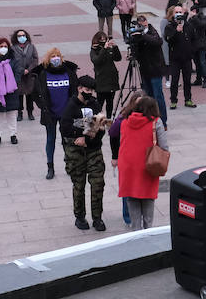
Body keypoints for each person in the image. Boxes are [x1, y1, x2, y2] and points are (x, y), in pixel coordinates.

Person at [60, 76, 109, 232]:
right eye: (87, 90)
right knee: (79, 185)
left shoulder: (95, 104)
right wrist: (79, 134)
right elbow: (65, 128)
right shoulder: (70, 105)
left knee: (98, 184)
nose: (90, 93)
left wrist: (90, 137)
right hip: (76, 153)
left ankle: (97, 218)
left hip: (94, 150)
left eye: (92, 90)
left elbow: (101, 126)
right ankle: (80, 216)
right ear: (80, 89)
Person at [115, 94, 168, 230]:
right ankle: (147, 232)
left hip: (127, 166)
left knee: (132, 199)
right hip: (147, 166)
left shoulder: (125, 121)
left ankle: (136, 232)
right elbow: (164, 147)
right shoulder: (156, 122)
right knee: (148, 199)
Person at [35, 48, 79, 179]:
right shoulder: (43, 74)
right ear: (48, 59)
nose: (56, 58)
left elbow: (75, 90)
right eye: (53, 56)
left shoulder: (69, 72)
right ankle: (50, 166)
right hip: (50, 113)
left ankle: (69, 163)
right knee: (51, 139)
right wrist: (42, 106)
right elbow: (36, 92)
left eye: (58, 56)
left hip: (66, 113)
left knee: (67, 139)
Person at [127, 15, 168, 124]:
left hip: (155, 70)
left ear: (146, 22)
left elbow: (158, 42)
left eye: (143, 23)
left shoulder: (152, 31)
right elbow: (134, 48)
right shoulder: (138, 35)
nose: (142, 25)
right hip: (144, 70)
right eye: (140, 24)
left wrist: (143, 35)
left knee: (157, 96)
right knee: (147, 96)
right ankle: (149, 118)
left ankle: (162, 121)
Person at [165, 4, 197, 110]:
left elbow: (194, 39)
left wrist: (191, 52)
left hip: (187, 58)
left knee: (187, 80)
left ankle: (188, 99)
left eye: (180, 12)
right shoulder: (170, 26)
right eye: (176, 12)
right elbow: (168, 39)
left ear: (184, 13)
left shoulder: (189, 25)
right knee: (174, 80)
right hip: (175, 58)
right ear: (173, 14)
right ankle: (173, 101)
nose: (179, 14)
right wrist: (176, 31)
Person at [90, 31, 121, 118]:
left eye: (105, 39)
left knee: (110, 102)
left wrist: (115, 47)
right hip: (101, 82)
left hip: (111, 80)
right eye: (101, 39)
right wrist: (104, 49)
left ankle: (109, 119)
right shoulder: (94, 50)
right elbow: (97, 60)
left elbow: (118, 58)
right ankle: (98, 119)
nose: (103, 41)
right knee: (99, 103)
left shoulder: (109, 49)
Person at [11, 29, 39, 121]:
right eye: (19, 36)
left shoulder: (31, 47)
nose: (21, 37)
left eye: (23, 35)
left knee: (29, 95)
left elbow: (35, 59)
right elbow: (12, 61)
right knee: (19, 95)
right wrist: (21, 70)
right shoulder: (13, 48)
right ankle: (20, 113)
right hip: (19, 75)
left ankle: (30, 112)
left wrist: (29, 69)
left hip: (29, 75)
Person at [189, 4, 206, 87]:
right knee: (197, 63)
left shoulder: (204, 18)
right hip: (194, 45)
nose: (192, 13)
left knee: (203, 62)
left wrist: (194, 17)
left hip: (202, 45)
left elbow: (201, 25)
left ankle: (205, 80)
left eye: (193, 11)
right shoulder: (190, 20)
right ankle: (198, 79)